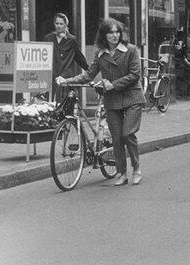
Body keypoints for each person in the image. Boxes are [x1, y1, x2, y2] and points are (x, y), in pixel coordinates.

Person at [56, 18, 144, 186]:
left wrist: (113, 84)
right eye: (111, 32)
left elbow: (135, 75)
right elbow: (89, 74)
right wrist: (67, 80)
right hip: (112, 99)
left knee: (127, 134)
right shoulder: (100, 53)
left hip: (132, 97)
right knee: (116, 138)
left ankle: (136, 168)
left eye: (117, 32)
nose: (115, 35)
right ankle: (122, 173)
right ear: (104, 35)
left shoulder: (131, 50)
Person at [45, 13, 88, 102]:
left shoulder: (71, 40)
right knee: (50, 101)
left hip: (66, 74)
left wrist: (89, 70)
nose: (59, 26)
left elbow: (79, 57)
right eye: (57, 23)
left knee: (65, 102)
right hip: (52, 74)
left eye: (61, 24)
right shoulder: (49, 38)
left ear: (65, 25)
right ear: (54, 24)